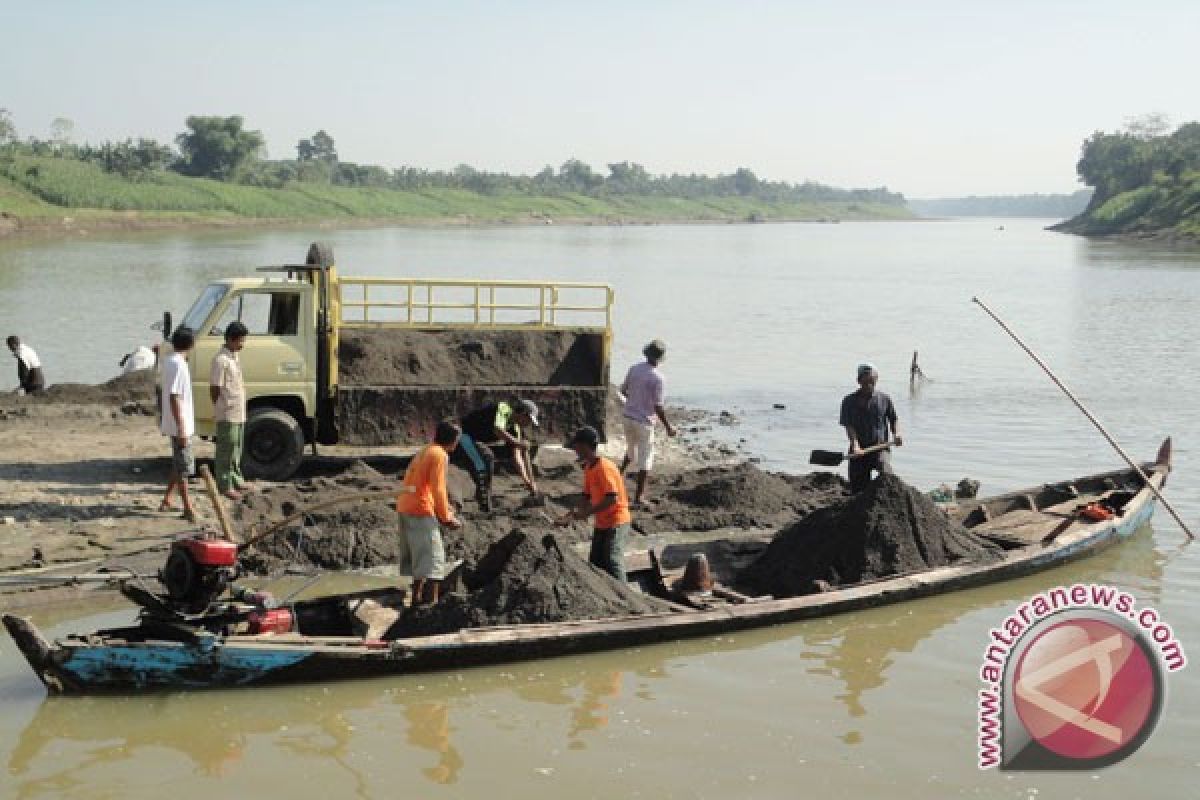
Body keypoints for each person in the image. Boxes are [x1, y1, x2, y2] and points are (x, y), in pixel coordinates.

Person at [397, 420, 464, 606]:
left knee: (420, 559)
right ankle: (431, 606)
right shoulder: (440, 455)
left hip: (406, 506)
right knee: (435, 560)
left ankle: (415, 600)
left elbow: (423, 485)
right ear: (453, 439)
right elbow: (438, 489)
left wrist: (443, 508)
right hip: (420, 509)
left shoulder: (426, 450)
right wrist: (446, 517)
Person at [555, 426, 632, 581]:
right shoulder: (590, 468)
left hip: (617, 521)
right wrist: (571, 515)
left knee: (612, 559)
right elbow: (586, 495)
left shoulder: (604, 467)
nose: (574, 450)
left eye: (576, 446)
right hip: (602, 522)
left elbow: (612, 498)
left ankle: (627, 597)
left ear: (584, 446)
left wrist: (586, 513)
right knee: (595, 562)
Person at [619, 339, 677, 507]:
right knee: (645, 459)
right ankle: (638, 498)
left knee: (630, 451)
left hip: (628, 417)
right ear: (660, 359)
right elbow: (658, 406)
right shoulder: (658, 378)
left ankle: (617, 479)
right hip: (644, 422)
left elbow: (623, 390)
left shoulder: (634, 369)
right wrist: (668, 427)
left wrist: (634, 401)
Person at [455, 398, 540, 511]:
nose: (528, 424)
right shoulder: (503, 408)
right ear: (522, 413)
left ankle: (484, 497)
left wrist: (528, 481)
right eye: (528, 419)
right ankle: (484, 499)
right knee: (486, 457)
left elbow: (517, 455)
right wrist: (519, 443)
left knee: (498, 452)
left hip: (475, 442)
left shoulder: (515, 429)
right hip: (460, 436)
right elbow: (498, 430)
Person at [839, 362, 903, 493]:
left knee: (886, 474)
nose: (869, 385)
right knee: (858, 487)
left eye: (872, 382)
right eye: (866, 382)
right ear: (858, 381)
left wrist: (897, 434)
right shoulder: (848, 401)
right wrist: (856, 445)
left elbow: (894, 419)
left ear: (876, 380)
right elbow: (849, 427)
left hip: (880, 447)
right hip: (858, 450)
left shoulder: (884, 399)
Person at [159, 327, 198, 522]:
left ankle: (167, 499)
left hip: (177, 422)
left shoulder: (170, 361)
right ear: (191, 344)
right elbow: (175, 396)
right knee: (184, 467)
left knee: (178, 462)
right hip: (180, 424)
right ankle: (188, 507)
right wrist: (182, 426)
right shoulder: (178, 365)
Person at [209, 321, 249, 499]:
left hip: (238, 411)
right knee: (226, 449)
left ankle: (236, 479)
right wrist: (219, 407)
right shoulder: (220, 360)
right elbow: (215, 388)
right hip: (227, 411)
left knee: (236, 447)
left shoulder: (234, 356)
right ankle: (224, 485)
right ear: (231, 340)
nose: (242, 344)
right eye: (240, 340)